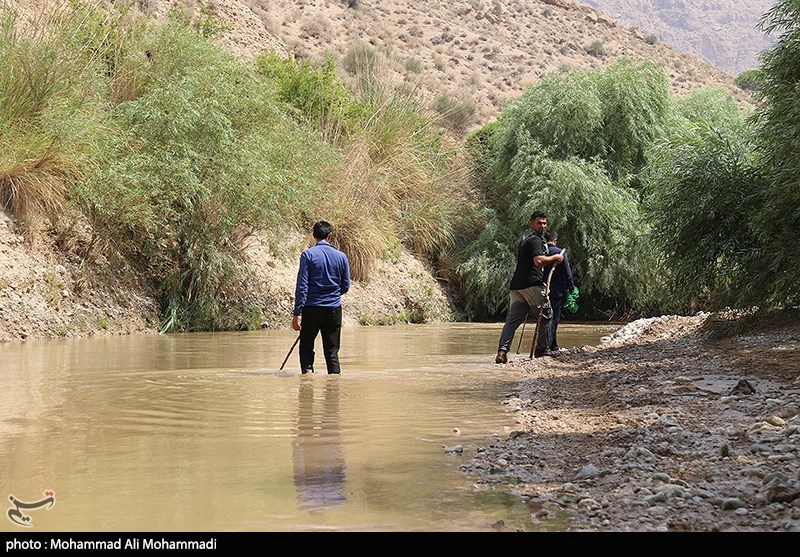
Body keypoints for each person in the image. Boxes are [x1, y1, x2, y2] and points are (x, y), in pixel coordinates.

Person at [495, 211, 564, 364]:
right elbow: (538, 261)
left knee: (512, 321)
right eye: (539, 223)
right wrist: (555, 257)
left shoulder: (526, 239)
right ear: (531, 223)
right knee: (547, 314)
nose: (543, 226)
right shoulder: (535, 241)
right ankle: (542, 350)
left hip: (517, 286)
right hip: (531, 285)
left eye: (545, 223)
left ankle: (502, 352)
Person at [292, 221, 351, 374]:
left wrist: (297, 313)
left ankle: (307, 381)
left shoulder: (308, 255)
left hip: (312, 309)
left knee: (306, 347)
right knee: (332, 352)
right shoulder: (341, 257)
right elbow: (345, 286)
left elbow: (302, 286)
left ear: (313, 236)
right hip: (333, 309)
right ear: (330, 236)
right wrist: (331, 296)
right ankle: (334, 387)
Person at [543, 230, 575, 353]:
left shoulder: (540, 252)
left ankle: (553, 345)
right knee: (554, 318)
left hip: (542, 290)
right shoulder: (559, 252)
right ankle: (547, 346)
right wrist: (571, 287)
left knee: (545, 318)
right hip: (557, 291)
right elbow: (567, 272)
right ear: (555, 240)